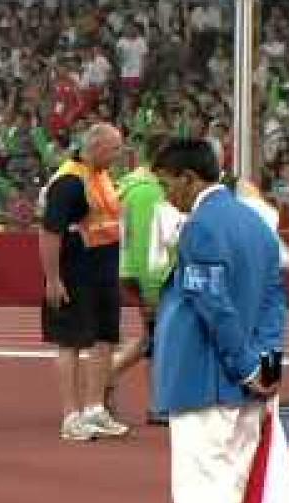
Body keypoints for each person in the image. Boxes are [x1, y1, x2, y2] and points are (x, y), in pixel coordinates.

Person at [149, 139, 289, 503]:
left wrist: (245, 364)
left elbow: (213, 307)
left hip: (206, 379)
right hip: (247, 381)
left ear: (190, 177)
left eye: (168, 183)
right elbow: (274, 298)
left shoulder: (201, 228)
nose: (167, 196)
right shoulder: (257, 222)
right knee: (241, 482)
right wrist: (267, 361)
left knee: (201, 484)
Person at [38, 123, 130, 442]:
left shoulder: (101, 176)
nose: (119, 155)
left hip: (104, 271)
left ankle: (94, 409)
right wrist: (52, 279)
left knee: (105, 339)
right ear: (97, 146)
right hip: (74, 274)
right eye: (115, 149)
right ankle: (71, 415)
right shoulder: (69, 182)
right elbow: (49, 232)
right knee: (71, 342)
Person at [108, 134, 180, 426]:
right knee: (161, 341)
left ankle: (106, 376)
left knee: (153, 340)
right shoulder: (149, 192)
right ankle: (157, 403)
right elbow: (146, 243)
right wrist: (150, 291)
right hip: (151, 276)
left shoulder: (129, 185)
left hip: (133, 271)